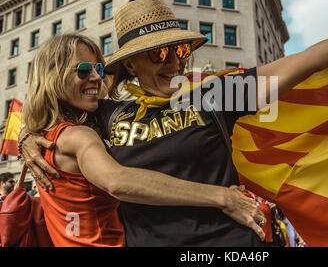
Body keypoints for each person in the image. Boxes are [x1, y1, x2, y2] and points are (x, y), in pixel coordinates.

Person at [22, 0, 328, 246]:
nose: (173, 64)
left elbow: (300, 62)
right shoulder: (104, 115)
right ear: (130, 63)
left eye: (180, 52)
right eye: (158, 54)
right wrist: (26, 136)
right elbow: (46, 115)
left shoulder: (214, 94)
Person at [19, 33, 265, 247]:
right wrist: (223, 197)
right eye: (83, 70)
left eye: (99, 69)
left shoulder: (45, 134)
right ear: (52, 77)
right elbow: (117, 181)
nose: (96, 77)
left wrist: (25, 135)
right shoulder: (78, 135)